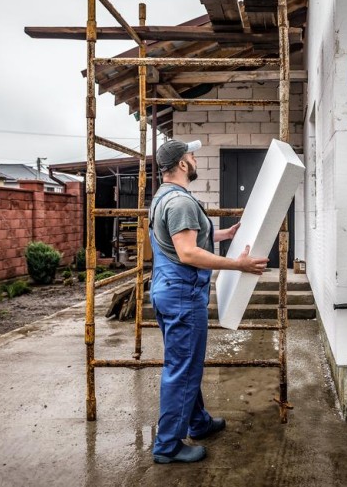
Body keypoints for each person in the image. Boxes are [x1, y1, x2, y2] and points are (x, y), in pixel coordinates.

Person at [148, 139, 269, 464]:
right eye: (191, 154)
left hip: (167, 289)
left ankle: (198, 422)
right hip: (182, 295)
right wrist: (238, 264)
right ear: (183, 164)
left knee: (186, 363)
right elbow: (187, 252)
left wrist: (223, 235)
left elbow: (183, 239)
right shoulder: (181, 202)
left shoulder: (164, 197)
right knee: (182, 368)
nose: (194, 158)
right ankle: (167, 446)